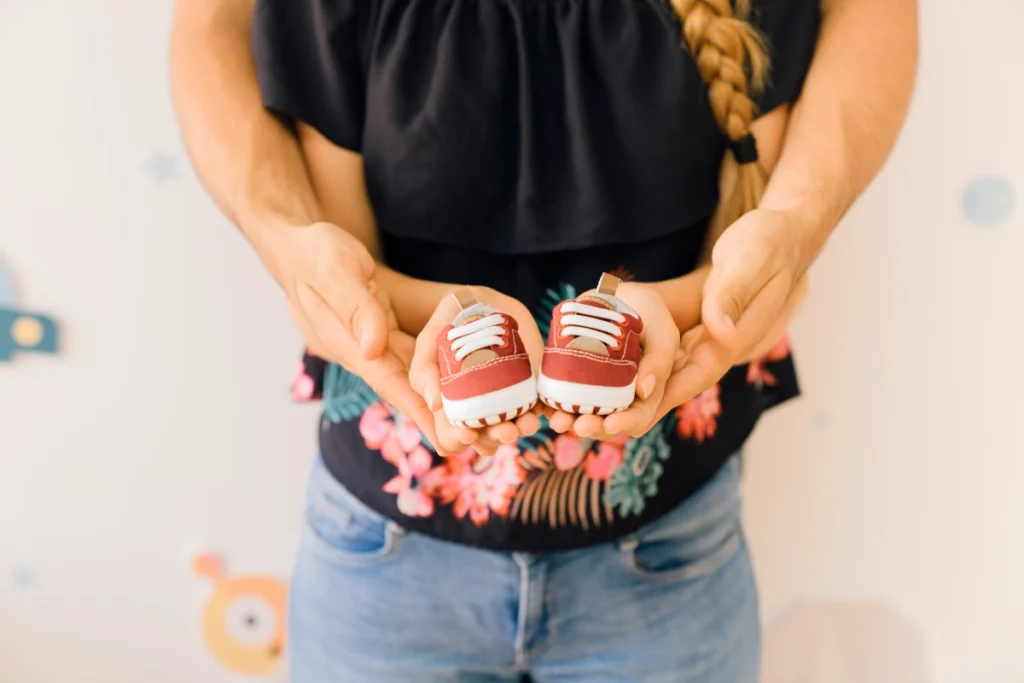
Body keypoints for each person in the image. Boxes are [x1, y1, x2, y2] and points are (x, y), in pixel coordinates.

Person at [170, 0, 917, 680]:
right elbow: (217, 31)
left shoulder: (740, 16)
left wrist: (788, 235)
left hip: (668, 544)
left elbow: (863, 22)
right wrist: (291, 245)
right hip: (383, 549)